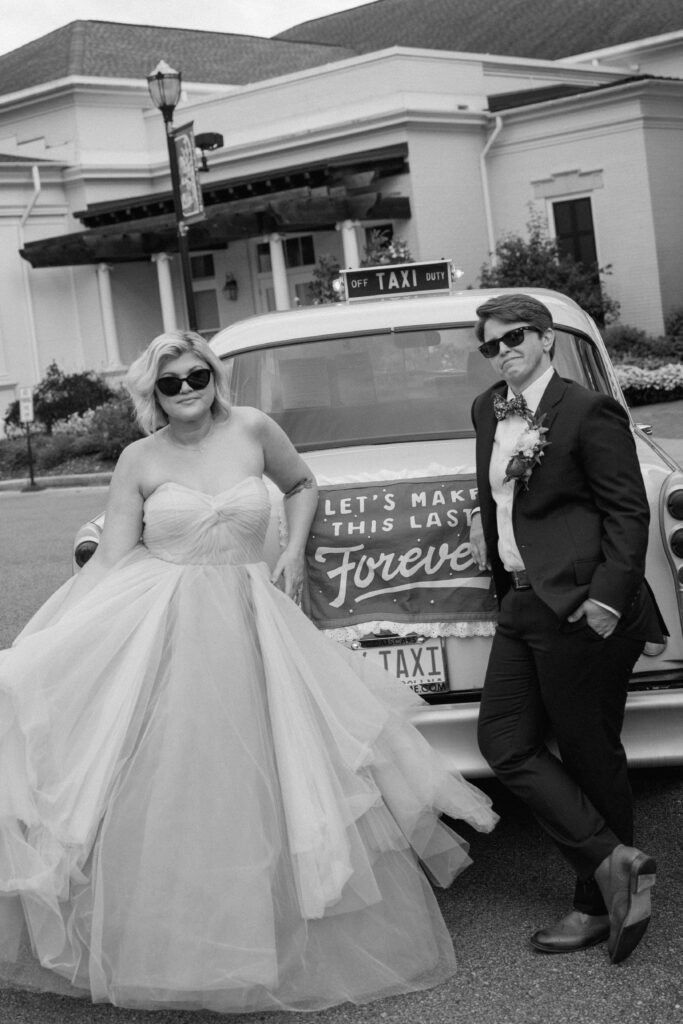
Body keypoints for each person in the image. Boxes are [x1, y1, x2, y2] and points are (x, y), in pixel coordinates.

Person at [0, 330, 496, 1013]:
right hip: (169, 625)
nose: (185, 390)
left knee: (270, 773)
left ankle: (270, 928)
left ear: (213, 375)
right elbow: (115, 557)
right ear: (152, 393)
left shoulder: (254, 429)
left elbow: (299, 483)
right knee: (181, 777)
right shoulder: (139, 458)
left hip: (251, 619)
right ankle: (184, 938)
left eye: (195, 375)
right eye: (169, 383)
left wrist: (292, 550)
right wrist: (55, 643)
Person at [469, 294, 665, 965]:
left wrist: (608, 600)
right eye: (489, 345)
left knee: (587, 750)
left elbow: (626, 510)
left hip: (581, 605)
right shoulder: (485, 409)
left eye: (513, 338)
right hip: (520, 602)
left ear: (544, 338)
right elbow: (497, 493)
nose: (502, 352)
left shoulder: (586, 410)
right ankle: (616, 863)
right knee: (502, 739)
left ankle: (592, 903)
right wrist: (486, 529)